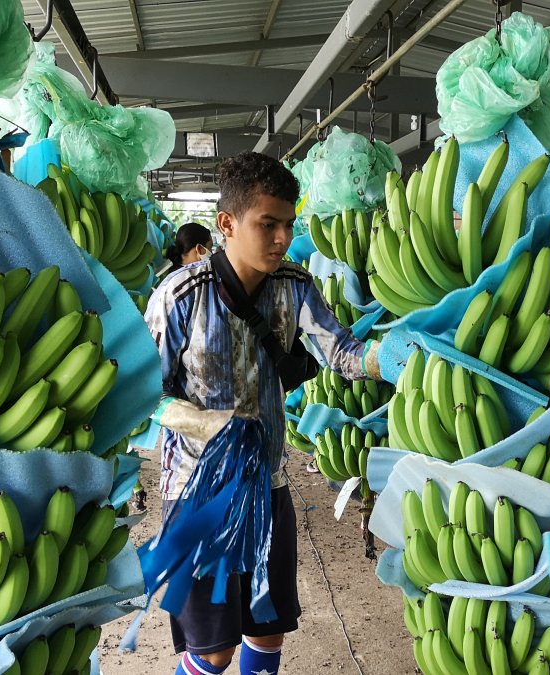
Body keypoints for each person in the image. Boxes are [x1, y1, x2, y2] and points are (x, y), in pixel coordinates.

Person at [145, 151, 385, 675]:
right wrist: (202, 422)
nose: (281, 238)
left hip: (268, 487)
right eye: (267, 224)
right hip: (198, 492)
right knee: (213, 648)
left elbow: (339, 352)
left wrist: (385, 358)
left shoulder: (294, 286)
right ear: (227, 223)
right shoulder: (180, 296)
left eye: (288, 225)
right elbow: (144, 396)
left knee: (268, 628)